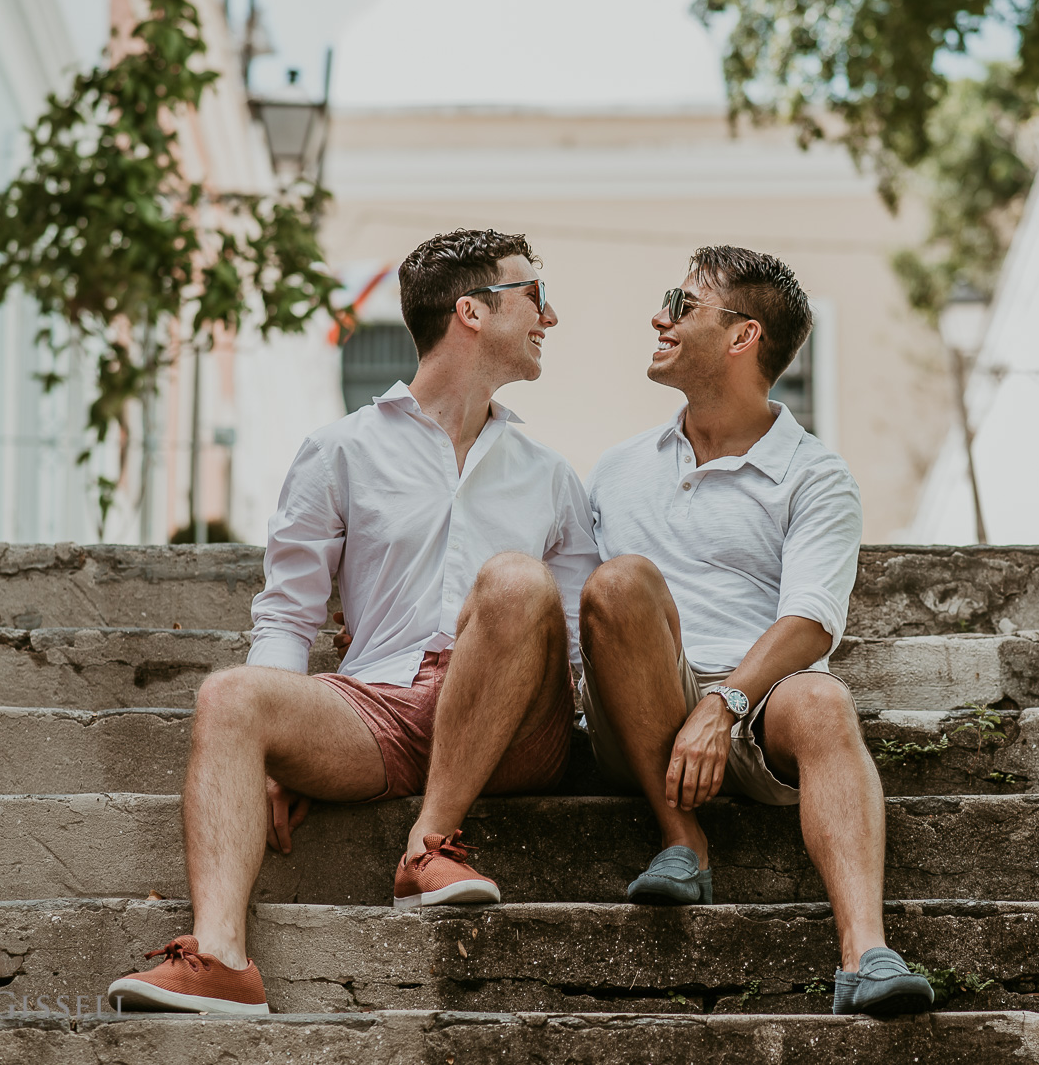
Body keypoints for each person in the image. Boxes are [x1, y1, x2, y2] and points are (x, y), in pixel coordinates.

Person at [106, 228, 599, 1014]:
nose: (552, 316)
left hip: (514, 724)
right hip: (384, 706)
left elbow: (576, 640)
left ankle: (430, 845)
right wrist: (278, 752)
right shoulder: (341, 449)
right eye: (536, 295)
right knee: (231, 695)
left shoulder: (552, 477)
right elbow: (289, 610)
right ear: (471, 311)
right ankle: (222, 958)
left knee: (514, 581)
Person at [578, 246, 934, 1017]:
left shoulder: (815, 474)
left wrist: (725, 704)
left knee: (823, 701)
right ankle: (684, 843)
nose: (659, 317)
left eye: (682, 302)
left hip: (754, 709)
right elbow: (571, 601)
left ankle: (866, 954)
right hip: (636, 711)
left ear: (742, 337)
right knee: (618, 582)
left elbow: (810, 620)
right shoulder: (615, 469)